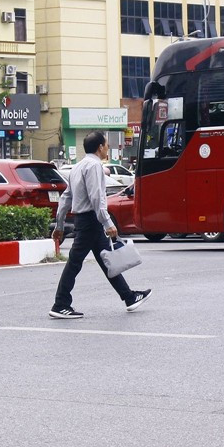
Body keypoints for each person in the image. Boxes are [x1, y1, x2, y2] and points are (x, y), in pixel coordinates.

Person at [50, 131, 151, 319]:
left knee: (107, 261)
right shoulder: (95, 166)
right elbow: (97, 197)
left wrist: (60, 224)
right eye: (106, 145)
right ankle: (60, 303)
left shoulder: (77, 167)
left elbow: (66, 197)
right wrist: (107, 222)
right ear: (100, 147)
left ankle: (129, 297)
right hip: (91, 220)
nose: (108, 148)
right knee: (75, 262)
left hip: (85, 219)